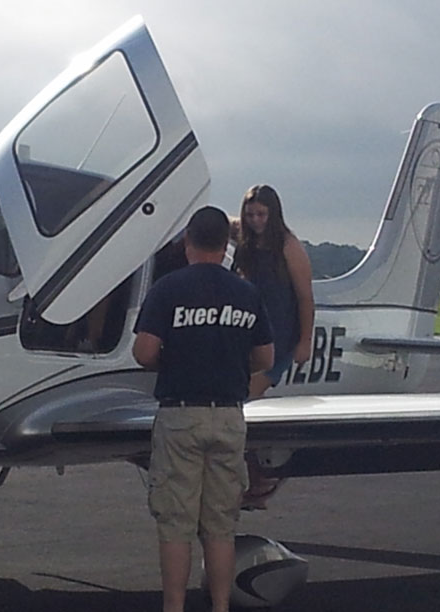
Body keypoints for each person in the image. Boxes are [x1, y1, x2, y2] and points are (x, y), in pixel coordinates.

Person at [133, 206, 274, 612]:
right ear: (225, 245)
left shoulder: (168, 289)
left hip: (181, 416)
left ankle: (174, 607)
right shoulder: (246, 292)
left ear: (188, 243)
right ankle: (220, 606)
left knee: (176, 523)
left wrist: (174, 358)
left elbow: (144, 352)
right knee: (220, 526)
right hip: (229, 417)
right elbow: (265, 356)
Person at [233, 184, 314, 398]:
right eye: (250, 215)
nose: (255, 220)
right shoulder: (245, 237)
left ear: (273, 214)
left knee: (245, 394)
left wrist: (305, 342)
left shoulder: (289, 246)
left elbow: (305, 298)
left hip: (281, 335)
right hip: (249, 333)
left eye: (262, 214)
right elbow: (220, 222)